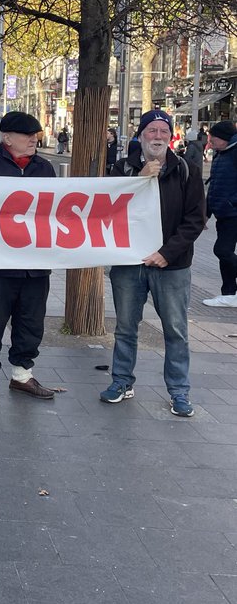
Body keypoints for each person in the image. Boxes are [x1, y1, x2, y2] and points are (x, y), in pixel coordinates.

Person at [102, 108, 205, 417]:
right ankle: (121, 381)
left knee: (175, 330)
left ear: (170, 136)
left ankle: (179, 391)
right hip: (129, 263)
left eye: (163, 131)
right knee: (125, 327)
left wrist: (167, 253)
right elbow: (108, 211)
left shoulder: (187, 170)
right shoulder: (121, 170)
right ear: (141, 135)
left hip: (171, 266)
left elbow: (195, 221)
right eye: (151, 131)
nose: (157, 137)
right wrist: (138, 181)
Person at [0, 111, 57, 405]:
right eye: (26, 135)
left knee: (31, 323)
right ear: (7, 138)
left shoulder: (45, 170)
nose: (34, 139)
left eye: (36, 135)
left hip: (34, 267)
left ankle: (22, 375)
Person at [202, 120, 237, 307]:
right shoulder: (221, 153)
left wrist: (232, 201)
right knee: (225, 252)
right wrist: (206, 213)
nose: (210, 141)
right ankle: (229, 294)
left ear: (224, 138)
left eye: (213, 137)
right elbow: (214, 186)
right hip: (223, 212)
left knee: (222, 250)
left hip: (233, 212)